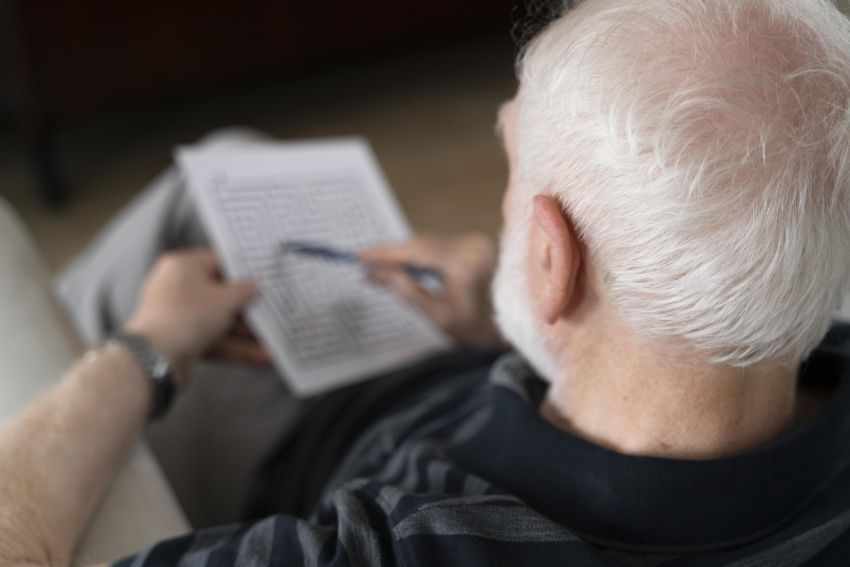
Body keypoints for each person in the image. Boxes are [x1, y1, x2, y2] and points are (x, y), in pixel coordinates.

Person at [2, 0, 850, 565]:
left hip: (305, 443)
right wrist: (502, 316)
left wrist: (144, 352)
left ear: (554, 261)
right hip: (464, 365)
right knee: (229, 164)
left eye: (513, 166)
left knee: (177, 220)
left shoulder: (414, 544)